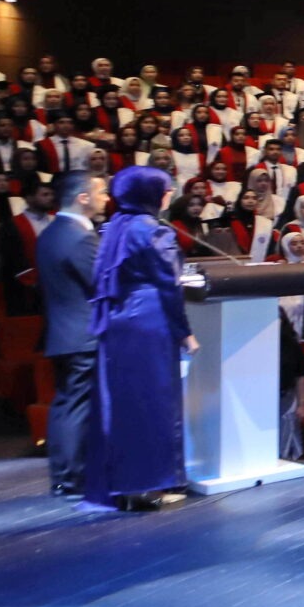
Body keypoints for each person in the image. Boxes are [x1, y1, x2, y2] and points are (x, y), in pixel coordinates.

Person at [80, 167, 196, 513]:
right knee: (152, 404)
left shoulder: (115, 225)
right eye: (165, 189)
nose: (169, 194)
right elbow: (169, 285)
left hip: (118, 320)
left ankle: (121, 486)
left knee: (122, 404)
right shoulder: (153, 230)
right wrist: (185, 332)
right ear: (150, 194)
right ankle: (145, 486)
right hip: (149, 320)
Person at [36, 170, 104, 497]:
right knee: (76, 407)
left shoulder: (51, 232)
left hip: (63, 332)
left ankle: (64, 477)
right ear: (83, 197)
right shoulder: (80, 237)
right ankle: (72, 477)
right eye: (101, 192)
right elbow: (103, 283)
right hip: (82, 334)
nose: (106, 198)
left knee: (66, 405)